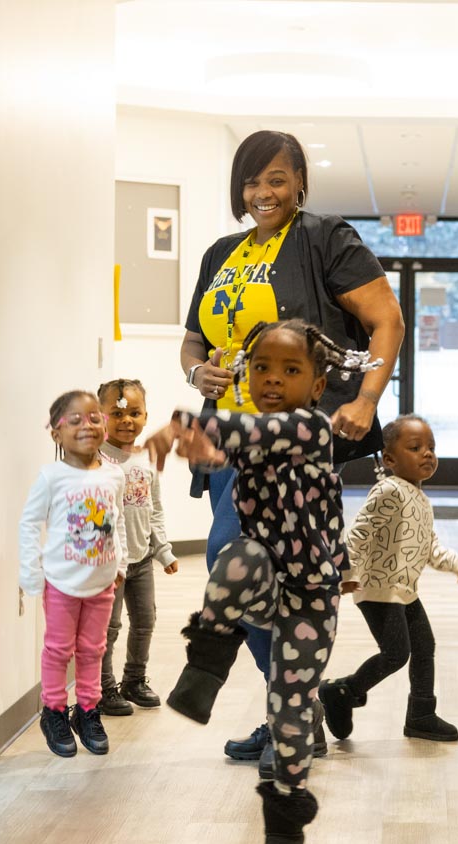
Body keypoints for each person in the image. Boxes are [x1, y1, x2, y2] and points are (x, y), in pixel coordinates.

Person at [177, 129, 403, 764]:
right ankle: (294, 711)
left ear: (300, 182)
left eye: (277, 179)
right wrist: (198, 373)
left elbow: (387, 318)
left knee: (236, 560)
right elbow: (193, 339)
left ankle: (291, 713)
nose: (263, 192)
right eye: (252, 181)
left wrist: (364, 400)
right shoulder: (222, 251)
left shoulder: (324, 238)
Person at [145, 318, 379, 844]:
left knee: (291, 705)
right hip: (263, 579)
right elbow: (232, 448)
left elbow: (242, 437)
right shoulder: (255, 432)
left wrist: (183, 425)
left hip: (310, 597)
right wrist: (199, 446)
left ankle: (284, 826)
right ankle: (207, 663)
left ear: (318, 385)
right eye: (262, 369)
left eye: (290, 370)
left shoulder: (311, 430)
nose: (272, 380)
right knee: (236, 555)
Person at [320, 415, 458, 744]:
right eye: (416, 447)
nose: (428, 454)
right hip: (376, 589)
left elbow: (430, 546)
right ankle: (342, 692)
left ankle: (421, 714)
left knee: (424, 647)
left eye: (431, 448)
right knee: (396, 653)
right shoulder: (388, 491)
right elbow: (358, 536)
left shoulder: (418, 497)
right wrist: (345, 574)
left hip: (404, 591)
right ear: (389, 459)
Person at [18, 391, 129, 758]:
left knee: (93, 649)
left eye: (95, 417)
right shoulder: (52, 477)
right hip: (62, 583)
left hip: (102, 583)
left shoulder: (114, 474)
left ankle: (87, 710)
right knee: (58, 649)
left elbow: (118, 522)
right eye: (76, 420)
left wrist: (121, 563)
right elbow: (30, 524)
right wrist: (31, 573)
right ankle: (53, 710)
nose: (88, 425)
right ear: (56, 434)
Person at [94, 379, 179, 717]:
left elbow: (154, 510)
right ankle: (104, 687)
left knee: (145, 620)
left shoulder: (145, 460)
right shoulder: (97, 460)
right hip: (108, 563)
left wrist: (164, 551)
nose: (126, 419)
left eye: (134, 412)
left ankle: (134, 679)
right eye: (116, 413)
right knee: (108, 627)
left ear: (146, 416)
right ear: (101, 417)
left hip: (142, 560)